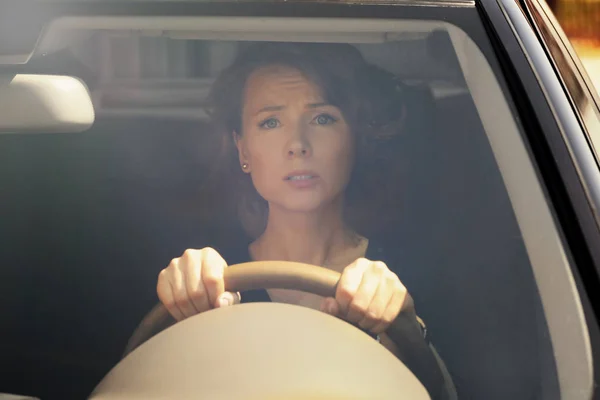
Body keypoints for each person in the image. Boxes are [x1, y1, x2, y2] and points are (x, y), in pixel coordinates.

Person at [155, 42, 455, 399]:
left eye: (322, 118)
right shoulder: (212, 279)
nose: (297, 144)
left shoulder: (412, 272)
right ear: (243, 150)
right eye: (270, 122)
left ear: (354, 138)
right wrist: (184, 302)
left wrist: (406, 322)